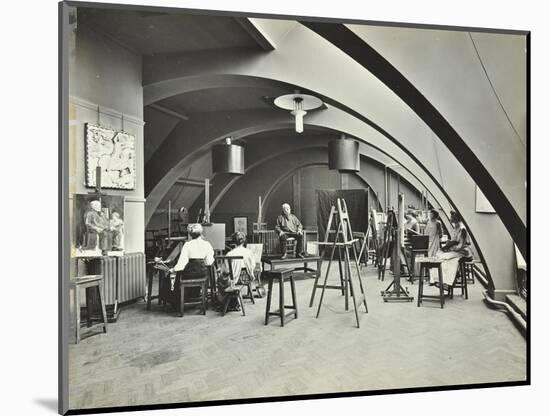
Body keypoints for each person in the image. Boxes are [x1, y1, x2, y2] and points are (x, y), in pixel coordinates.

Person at [168, 223, 215, 304]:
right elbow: (209, 262)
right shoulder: (207, 244)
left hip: (189, 274)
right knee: (204, 274)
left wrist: (173, 269)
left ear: (190, 234)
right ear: (201, 233)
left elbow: (182, 264)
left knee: (179, 274)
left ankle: (180, 300)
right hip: (202, 274)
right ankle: (199, 298)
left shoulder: (187, 245)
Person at [216, 232, 257, 310]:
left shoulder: (230, 254)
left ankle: (227, 303)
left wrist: (221, 270)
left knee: (220, 279)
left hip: (233, 279)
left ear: (233, 242)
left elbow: (226, 270)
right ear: (243, 241)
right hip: (246, 278)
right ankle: (233, 301)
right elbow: (253, 266)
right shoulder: (249, 252)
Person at [433, 211, 472, 285]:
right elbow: (455, 241)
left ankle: (448, 280)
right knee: (439, 254)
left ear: (456, 218)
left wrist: (450, 248)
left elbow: (460, 246)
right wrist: (449, 244)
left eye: (451, 216)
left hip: (463, 251)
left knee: (444, 257)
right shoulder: (456, 227)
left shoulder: (462, 229)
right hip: (457, 249)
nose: (450, 218)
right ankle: (440, 279)